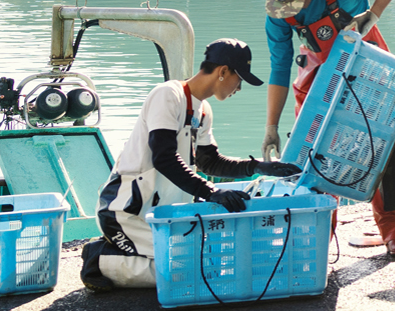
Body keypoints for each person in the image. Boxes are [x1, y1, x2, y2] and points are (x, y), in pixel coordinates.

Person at [80, 39, 298, 290]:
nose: (239, 87)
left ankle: (128, 250)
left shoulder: (203, 110)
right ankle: (99, 259)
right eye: (240, 79)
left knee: (206, 265)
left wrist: (257, 167)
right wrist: (211, 191)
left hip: (161, 214)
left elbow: (210, 162)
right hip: (126, 210)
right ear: (223, 71)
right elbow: (164, 158)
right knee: (186, 270)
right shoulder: (168, 95)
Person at [263, 0, 395, 257]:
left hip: (367, 62)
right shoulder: (279, 14)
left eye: (298, 3)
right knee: (313, 153)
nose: (292, 12)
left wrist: (372, 14)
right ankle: (318, 235)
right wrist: (271, 126)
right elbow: (279, 68)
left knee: (385, 145)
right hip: (318, 74)